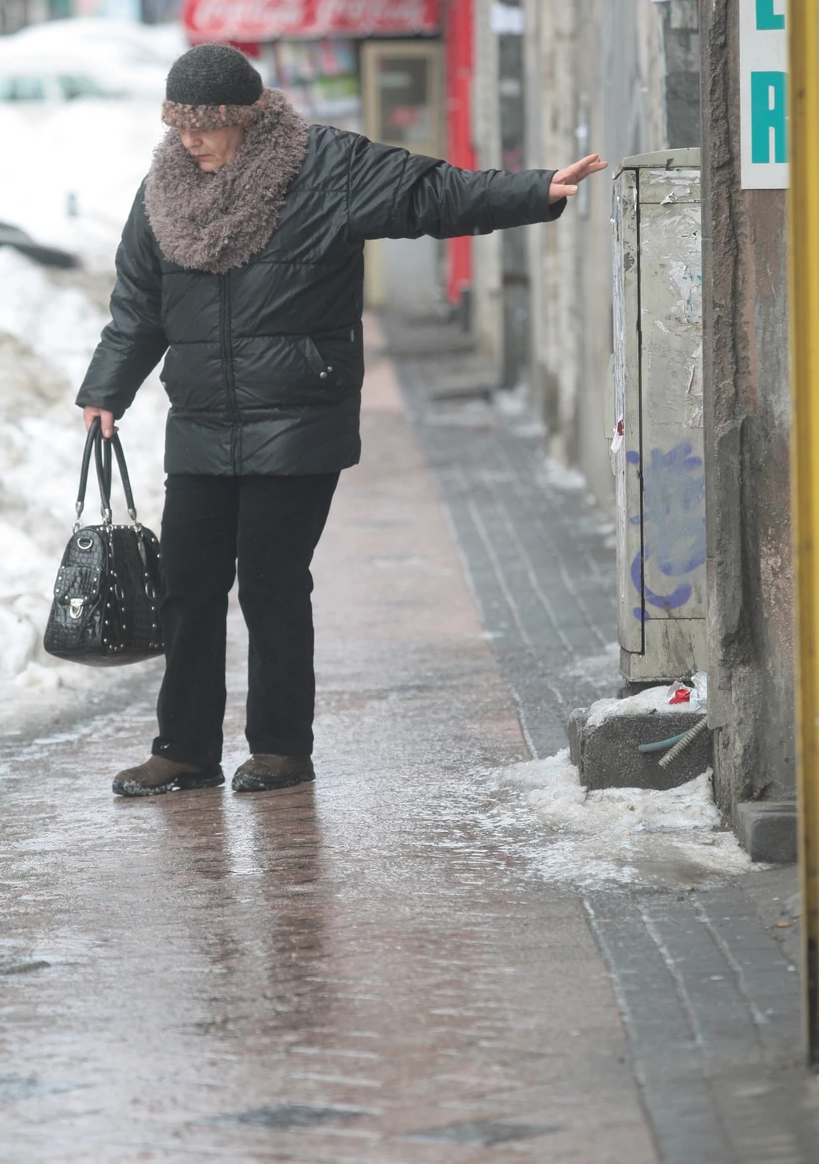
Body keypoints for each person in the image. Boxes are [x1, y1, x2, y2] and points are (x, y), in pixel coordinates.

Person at [77, 43, 607, 797]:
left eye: (206, 123)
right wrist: (107, 389)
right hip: (201, 420)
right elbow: (137, 302)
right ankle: (186, 750)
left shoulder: (322, 166)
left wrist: (533, 190)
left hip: (296, 416)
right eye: (179, 123)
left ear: (245, 116)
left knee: (270, 584)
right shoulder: (162, 189)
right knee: (188, 588)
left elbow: (434, 194)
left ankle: (282, 749)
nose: (190, 137)